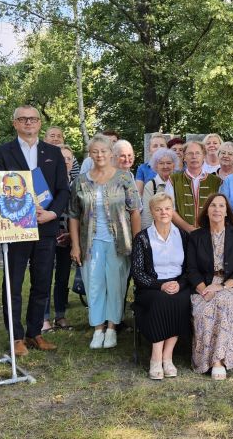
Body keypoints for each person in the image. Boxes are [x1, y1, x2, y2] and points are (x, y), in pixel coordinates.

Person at [0, 105, 70, 355]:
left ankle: (35, 333)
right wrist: (21, 212)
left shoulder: (54, 152)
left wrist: (52, 213)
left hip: (46, 227)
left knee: (42, 281)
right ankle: (16, 337)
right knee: (13, 283)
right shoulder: (1, 152)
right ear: (15, 123)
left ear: (39, 123)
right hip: (15, 228)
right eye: (23, 119)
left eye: (33, 119)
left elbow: (63, 189)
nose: (28, 123)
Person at [69, 136, 142, 349]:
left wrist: (137, 242)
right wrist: (75, 245)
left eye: (103, 151)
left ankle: (112, 327)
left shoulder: (124, 178)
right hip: (90, 243)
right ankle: (98, 327)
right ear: (90, 155)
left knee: (116, 284)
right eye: (95, 151)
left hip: (118, 242)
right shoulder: (81, 181)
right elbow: (73, 214)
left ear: (111, 153)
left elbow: (135, 211)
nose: (100, 155)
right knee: (94, 284)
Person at [184, 194, 233, 380]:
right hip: (202, 287)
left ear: (227, 211)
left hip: (229, 287)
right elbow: (191, 269)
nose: (217, 209)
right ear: (207, 210)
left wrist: (220, 287)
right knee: (204, 310)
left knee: (222, 304)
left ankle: (219, 361)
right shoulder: (196, 236)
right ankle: (204, 360)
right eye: (213, 205)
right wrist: (204, 289)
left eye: (221, 206)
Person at [130, 193, 192, 380]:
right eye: (159, 209)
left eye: (167, 208)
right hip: (151, 287)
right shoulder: (143, 238)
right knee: (160, 300)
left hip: (178, 284)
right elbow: (138, 272)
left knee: (180, 300)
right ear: (152, 212)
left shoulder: (182, 235)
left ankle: (168, 356)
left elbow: (190, 268)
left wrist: (179, 284)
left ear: (173, 210)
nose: (163, 212)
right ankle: (156, 356)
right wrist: (161, 285)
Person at [48, 144, 77, 331]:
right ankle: (42, 317)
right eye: (62, 158)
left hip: (68, 237)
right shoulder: (47, 181)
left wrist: (71, 236)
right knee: (43, 277)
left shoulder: (77, 183)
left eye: (68, 159)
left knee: (62, 278)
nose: (65, 162)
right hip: (48, 236)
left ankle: (60, 315)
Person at [170, 141, 222, 232]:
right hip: (181, 234)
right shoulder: (173, 180)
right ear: (184, 157)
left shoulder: (216, 181)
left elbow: (221, 210)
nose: (194, 156)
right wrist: (189, 229)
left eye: (198, 153)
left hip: (209, 234)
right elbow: (170, 209)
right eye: (190, 153)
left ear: (204, 157)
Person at [140, 148, 178, 230]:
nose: (165, 166)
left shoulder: (179, 183)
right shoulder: (151, 185)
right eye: (161, 163)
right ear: (156, 166)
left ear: (173, 165)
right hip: (157, 232)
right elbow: (147, 214)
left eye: (168, 163)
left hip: (178, 231)